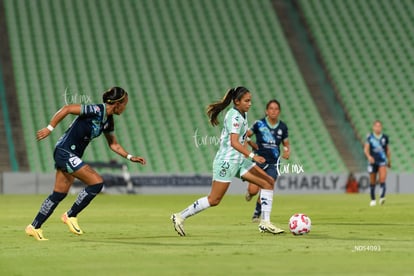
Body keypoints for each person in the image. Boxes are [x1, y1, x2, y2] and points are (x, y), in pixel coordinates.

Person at [25, 87, 146, 241]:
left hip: (71, 154)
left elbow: (113, 144)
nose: (125, 107)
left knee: (58, 194)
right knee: (96, 182)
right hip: (65, 151)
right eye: (125, 104)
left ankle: (34, 226)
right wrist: (50, 128)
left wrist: (130, 156)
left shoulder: (108, 121)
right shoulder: (95, 110)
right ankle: (70, 215)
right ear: (118, 103)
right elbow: (68, 109)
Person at [171, 87, 284, 236]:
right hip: (226, 162)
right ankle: (179, 216)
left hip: (239, 161)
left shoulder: (243, 114)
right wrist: (253, 156)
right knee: (214, 199)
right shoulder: (234, 116)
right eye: (246, 101)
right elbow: (234, 143)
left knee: (268, 182)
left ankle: (265, 222)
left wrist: (250, 149)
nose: (250, 104)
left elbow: (243, 138)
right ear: (237, 102)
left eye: (250, 100)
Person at [245, 99, 289, 222]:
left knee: (268, 186)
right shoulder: (259, 124)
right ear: (266, 111)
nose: (273, 111)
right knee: (253, 190)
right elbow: (246, 135)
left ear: (279, 111)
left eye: (276, 109)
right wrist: (251, 144)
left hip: (274, 163)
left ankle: (257, 214)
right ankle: (250, 193)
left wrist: (286, 150)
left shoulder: (282, 127)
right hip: (259, 160)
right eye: (271, 108)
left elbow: (286, 142)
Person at [363, 120, 390, 206]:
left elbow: (387, 150)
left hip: (382, 161)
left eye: (379, 126)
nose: (378, 128)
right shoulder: (370, 137)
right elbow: (366, 149)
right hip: (372, 162)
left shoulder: (385, 137)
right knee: (372, 181)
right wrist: (369, 157)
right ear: (373, 127)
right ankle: (373, 199)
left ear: (381, 127)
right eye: (376, 126)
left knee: (382, 179)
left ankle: (382, 197)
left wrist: (389, 161)